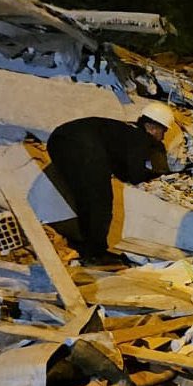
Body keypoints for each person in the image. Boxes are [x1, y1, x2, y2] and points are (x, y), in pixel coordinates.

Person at [46, 102, 175, 265]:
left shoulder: (125, 131)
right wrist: (156, 175)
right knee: (101, 203)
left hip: (58, 141)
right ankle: (96, 254)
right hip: (82, 145)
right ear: (152, 127)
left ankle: (87, 247)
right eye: (163, 131)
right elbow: (135, 175)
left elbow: (121, 169)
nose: (162, 137)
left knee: (86, 199)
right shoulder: (140, 138)